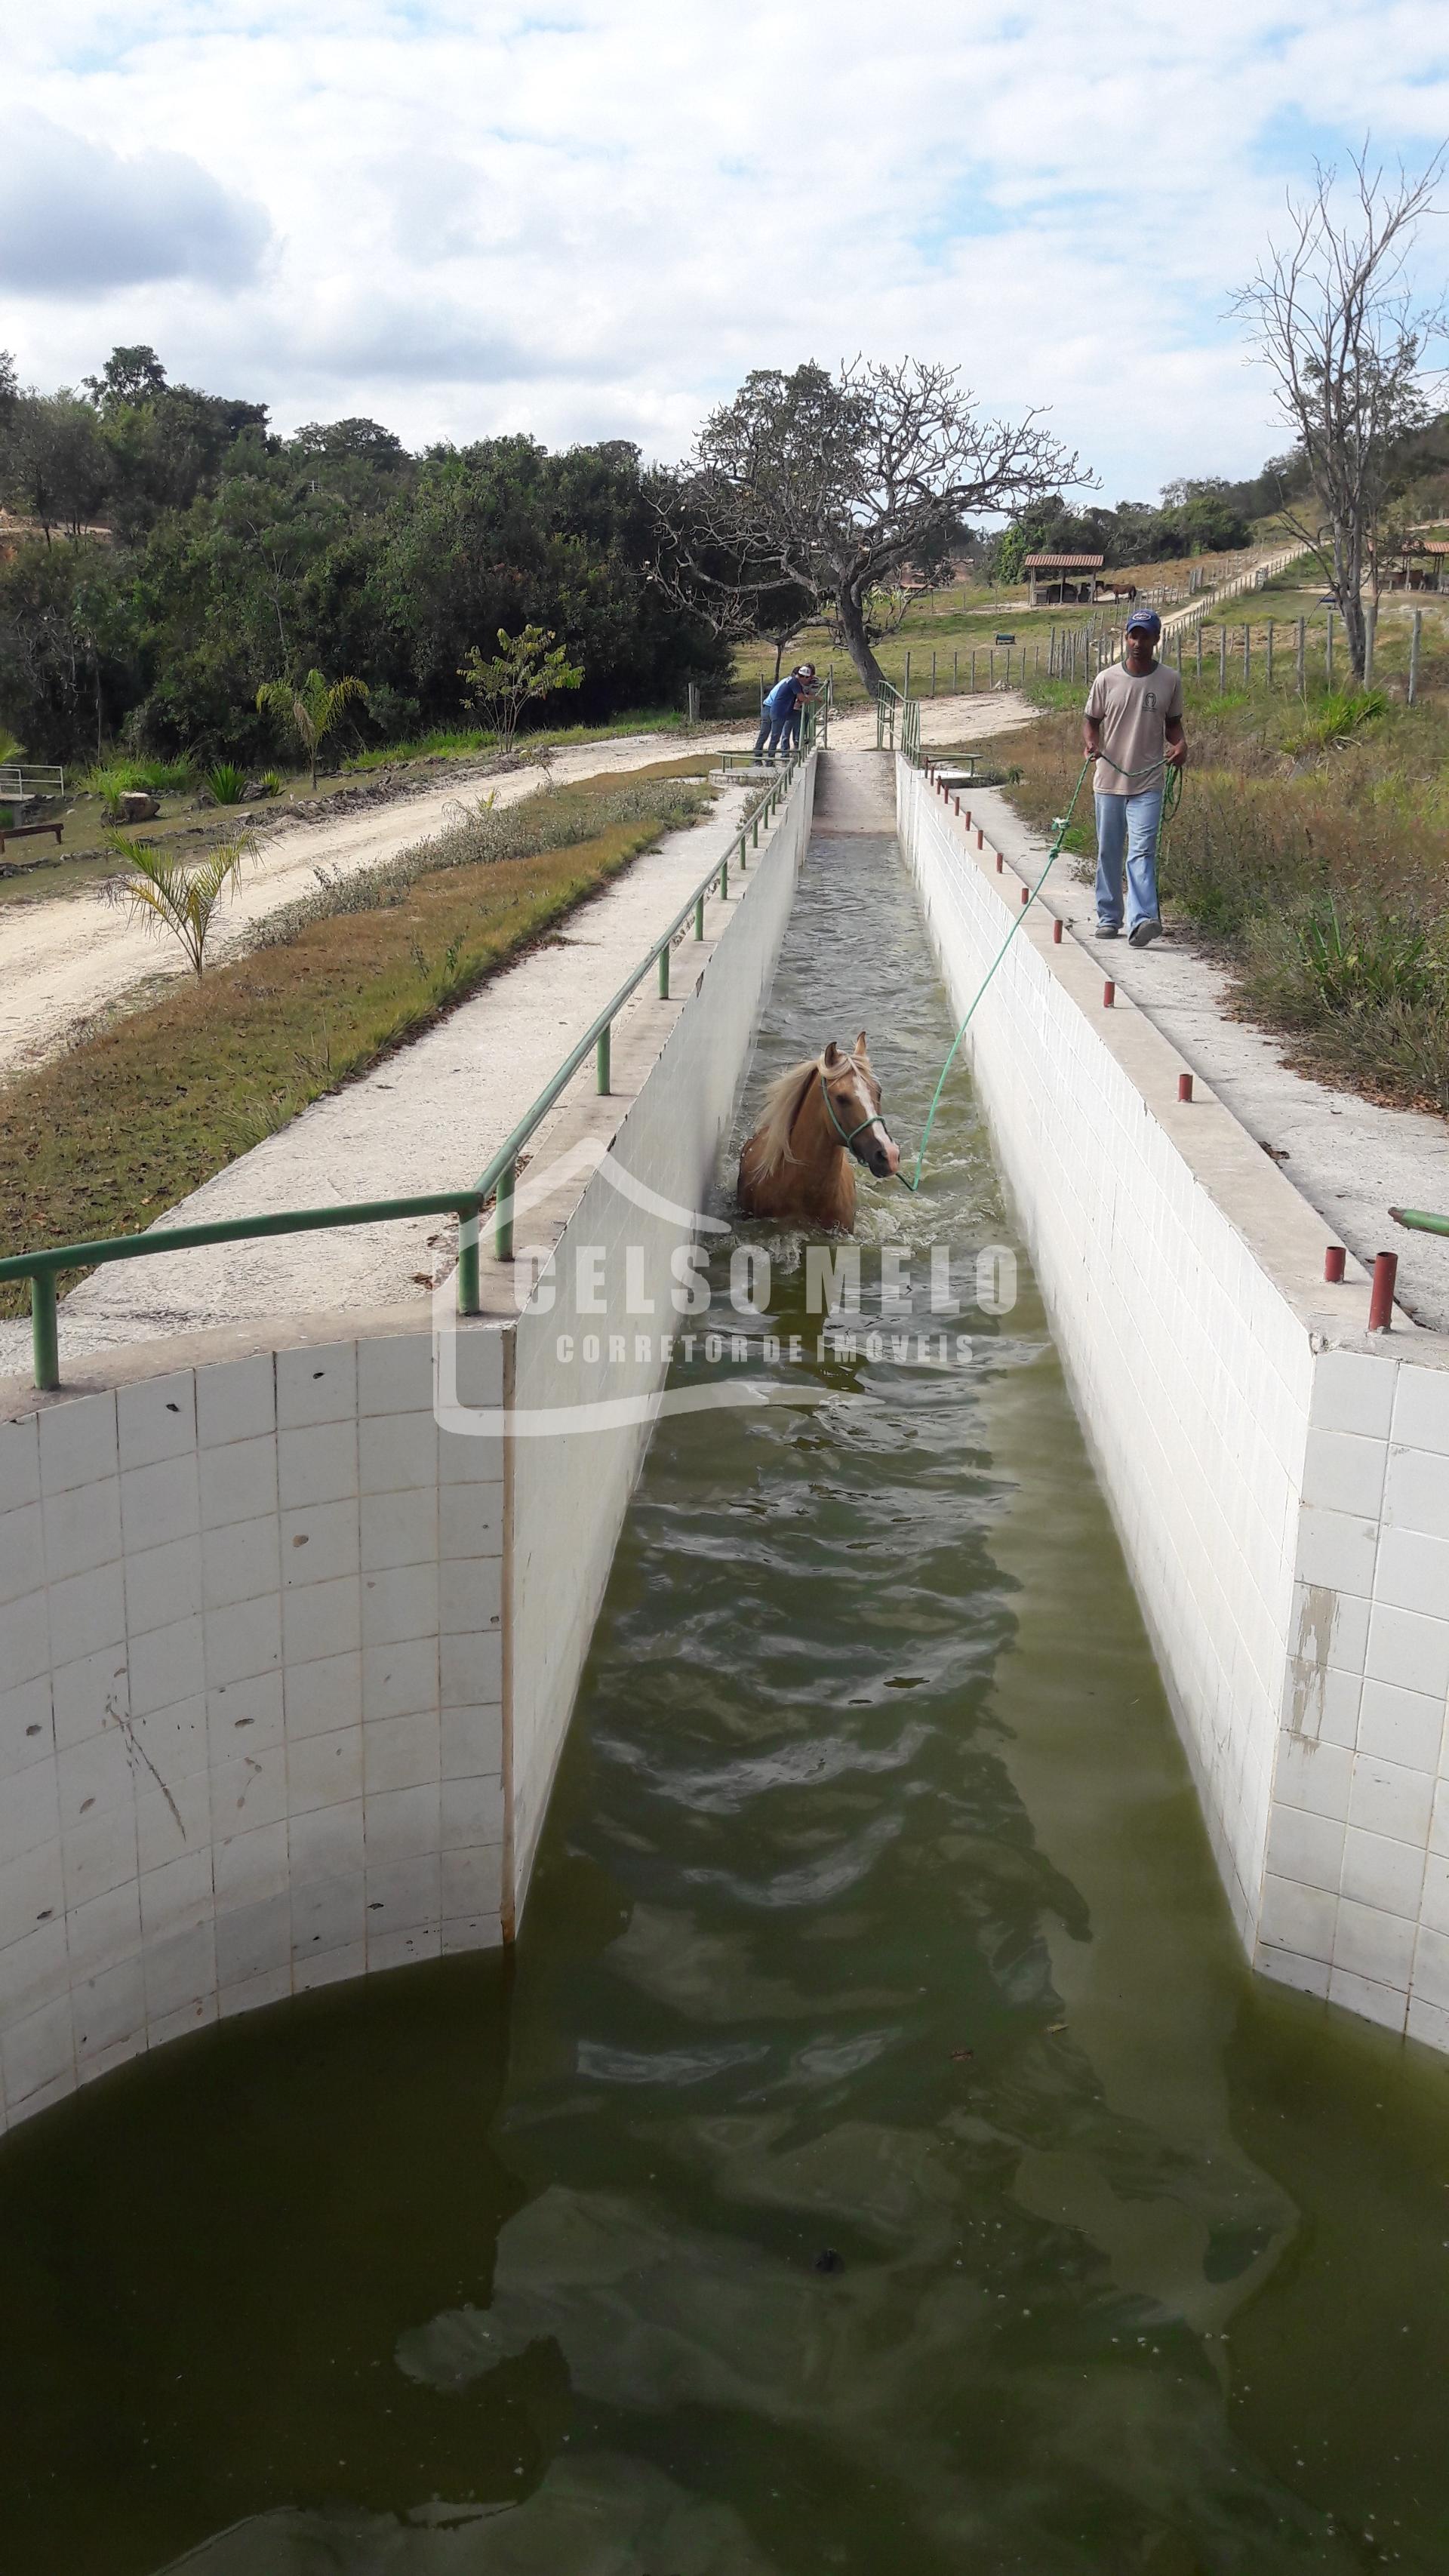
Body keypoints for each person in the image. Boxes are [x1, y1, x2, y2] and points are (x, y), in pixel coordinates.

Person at [1082, 608, 1186, 946]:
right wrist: (1091, 744)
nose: (1138, 642)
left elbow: (1173, 725)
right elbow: (1090, 721)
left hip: (1149, 781)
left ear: (1157, 639)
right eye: (1133, 635)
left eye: (1145, 636)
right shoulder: (1106, 680)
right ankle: (1109, 917)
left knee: (1141, 852)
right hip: (1109, 779)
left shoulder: (1169, 679)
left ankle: (1142, 920)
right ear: (1126, 638)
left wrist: (1180, 745)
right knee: (1109, 852)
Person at [753, 663, 814, 765]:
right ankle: (759, 759)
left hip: (777, 708)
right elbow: (796, 698)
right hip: (771, 707)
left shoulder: (788, 681)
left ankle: (798, 740)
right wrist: (811, 698)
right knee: (766, 734)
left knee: (772, 734)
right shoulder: (792, 682)